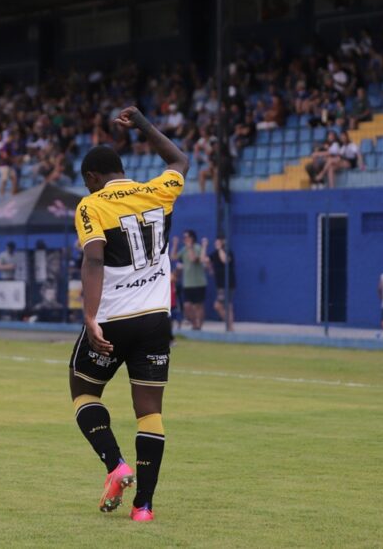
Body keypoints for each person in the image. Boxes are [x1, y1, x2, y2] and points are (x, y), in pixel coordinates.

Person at [68, 106, 188, 523]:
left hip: (114, 318)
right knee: (150, 410)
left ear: (92, 177)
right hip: (156, 318)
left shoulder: (91, 205)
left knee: (84, 391)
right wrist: (142, 125)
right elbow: (179, 160)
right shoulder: (158, 190)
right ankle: (144, 507)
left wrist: (90, 316)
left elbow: (94, 259)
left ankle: (116, 465)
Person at [172, 231, 207, 331]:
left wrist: (190, 247)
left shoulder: (197, 248)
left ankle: (199, 326)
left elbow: (193, 259)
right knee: (187, 306)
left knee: (198, 306)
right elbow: (173, 257)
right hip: (187, 283)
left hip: (199, 283)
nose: (184, 239)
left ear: (192, 238)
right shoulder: (184, 249)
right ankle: (194, 324)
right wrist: (175, 245)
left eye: (186, 237)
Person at [206, 236, 235, 332]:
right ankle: (229, 326)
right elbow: (204, 260)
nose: (216, 244)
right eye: (216, 242)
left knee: (221, 305)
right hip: (220, 284)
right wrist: (204, 246)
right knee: (226, 305)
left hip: (228, 283)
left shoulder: (228, 252)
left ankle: (229, 325)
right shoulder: (214, 254)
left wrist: (220, 249)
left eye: (219, 242)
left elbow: (224, 260)